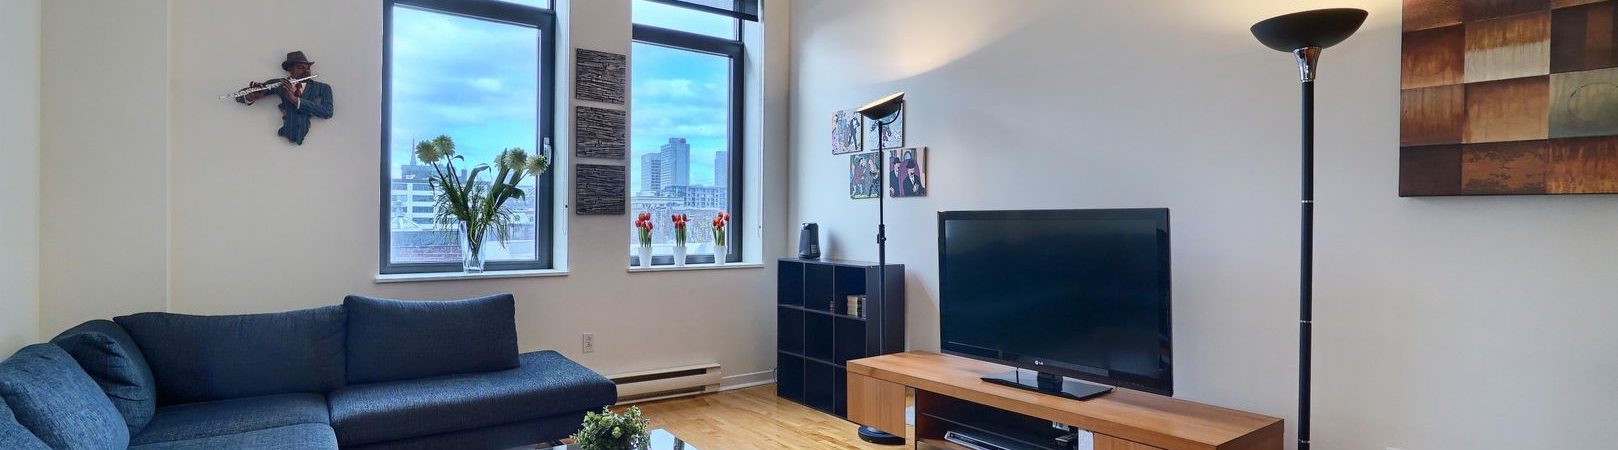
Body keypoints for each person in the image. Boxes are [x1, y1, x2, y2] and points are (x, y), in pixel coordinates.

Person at [238, 51, 334, 145]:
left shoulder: (323, 88)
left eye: (308, 67)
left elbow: (327, 112)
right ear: (290, 69)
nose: (306, 71)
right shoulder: (281, 84)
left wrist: (296, 100)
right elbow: (239, 96)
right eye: (300, 67)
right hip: (282, 136)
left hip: (313, 141)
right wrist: (251, 96)